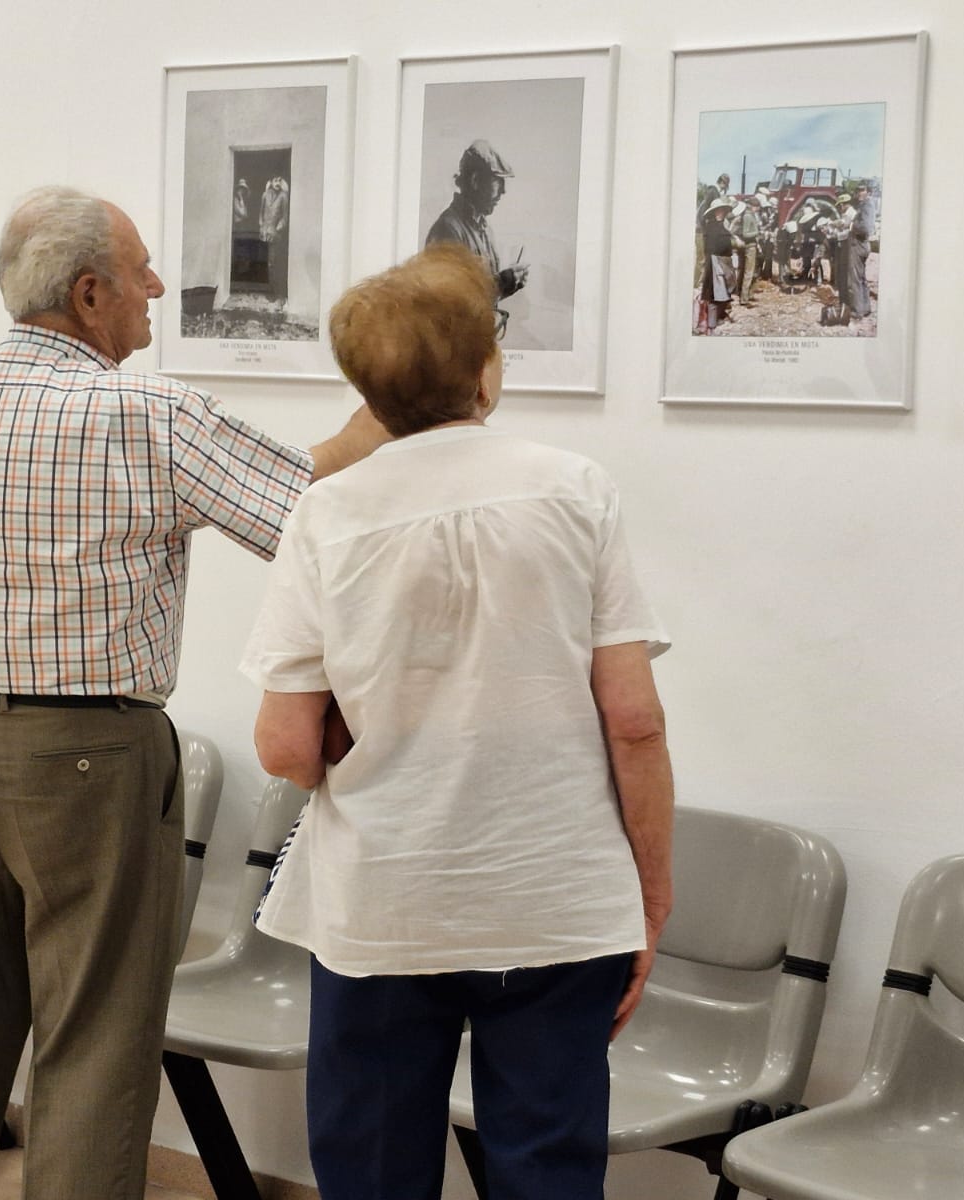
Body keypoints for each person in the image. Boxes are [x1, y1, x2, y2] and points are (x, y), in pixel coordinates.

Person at [0, 184, 388, 1200]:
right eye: (140, 273)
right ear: (90, 295)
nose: (158, 288)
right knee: (91, 1048)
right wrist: (393, 405)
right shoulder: (153, 416)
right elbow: (310, 511)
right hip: (89, 767)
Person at [241, 242, 674, 1200]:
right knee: (548, 1170)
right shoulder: (576, 489)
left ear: (369, 395)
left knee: (375, 1172)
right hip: (555, 894)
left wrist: (377, 725)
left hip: (384, 898)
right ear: (488, 372)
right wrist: (647, 898)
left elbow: (285, 748)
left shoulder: (329, 514)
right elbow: (634, 722)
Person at [425, 139, 529, 303]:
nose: (504, 191)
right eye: (498, 182)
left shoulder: (485, 230)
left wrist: (509, 285)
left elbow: (483, 296)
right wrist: (501, 284)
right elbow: (449, 302)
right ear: (475, 181)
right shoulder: (447, 229)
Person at [700, 195, 736, 329]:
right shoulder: (713, 228)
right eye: (719, 210)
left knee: (720, 290)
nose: (721, 213)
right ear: (714, 212)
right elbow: (715, 247)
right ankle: (712, 322)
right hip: (715, 261)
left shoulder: (718, 226)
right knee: (715, 292)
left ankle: (716, 319)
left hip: (720, 261)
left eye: (723, 210)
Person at [844, 183, 876, 321]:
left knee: (855, 279)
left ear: (868, 191)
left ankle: (857, 312)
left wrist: (850, 225)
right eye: (857, 190)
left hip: (858, 244)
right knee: (861, 278)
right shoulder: (865, 205)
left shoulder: (867, 205)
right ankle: (865, 308)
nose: (858, 193)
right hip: (862, 244)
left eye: (862, 190)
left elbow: (866, 228)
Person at [259, 174, 289, 298]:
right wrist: (261, 225)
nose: (277, 182)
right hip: (263, 233)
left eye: (279, 180)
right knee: (263, 261)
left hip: (275, 234)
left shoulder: (283, 196)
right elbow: (260, 213)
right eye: (275, 180)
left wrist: (278, 228)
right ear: (271, 182)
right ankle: (265, 288)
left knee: (273, 263)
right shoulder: (265, 195)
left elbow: (284, 217)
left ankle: (274, 292)